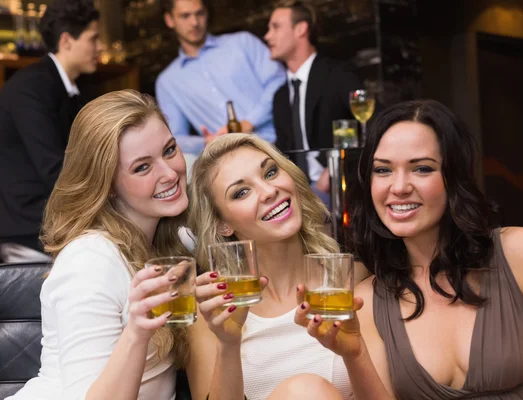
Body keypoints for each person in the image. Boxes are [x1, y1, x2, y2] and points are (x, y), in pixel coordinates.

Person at [294, 99, 523, 399]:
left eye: (421, 168)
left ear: (453, 177)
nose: (399, 186)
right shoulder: (367, 299)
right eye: (383, 170)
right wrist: (354, 355)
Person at [7, 90, 191, 400]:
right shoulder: (90, 260)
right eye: (142, 167)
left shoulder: (173, 241)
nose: (170, 173)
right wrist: (136, 333)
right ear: (107, 186)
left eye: (170, 150)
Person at [185, 133, 371, 400]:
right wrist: (229, 343)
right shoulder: (212, 312)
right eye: (241, 192)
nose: (269, 191)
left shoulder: (356, 281)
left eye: (270, 172)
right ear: (222, 225)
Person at [0, 0, 103, 263]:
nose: (100, 48)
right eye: (94, 39)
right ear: (67, 41)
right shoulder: (31, 87)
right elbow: (53, 167)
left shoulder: (70, 90)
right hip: (28, 225)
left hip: (54, 219)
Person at [264, 0, 365, 204]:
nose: (267, 36)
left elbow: (369, 122)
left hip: (341, 190)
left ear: (301, 29)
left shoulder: (337, 75)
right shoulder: (281, 96)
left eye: (275, 27)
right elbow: (286, 152)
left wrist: (332, 171)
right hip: (297, 192)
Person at [155, 0, 286, 156]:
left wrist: (248, 122)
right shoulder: (167, 82)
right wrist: (207, 142)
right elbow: (174, 137)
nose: (194, 22)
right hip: (231, 159)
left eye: (199, 13)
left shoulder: (242, 42)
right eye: (185, 16)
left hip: (282, 143)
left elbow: (279, 81)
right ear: (169, 20)